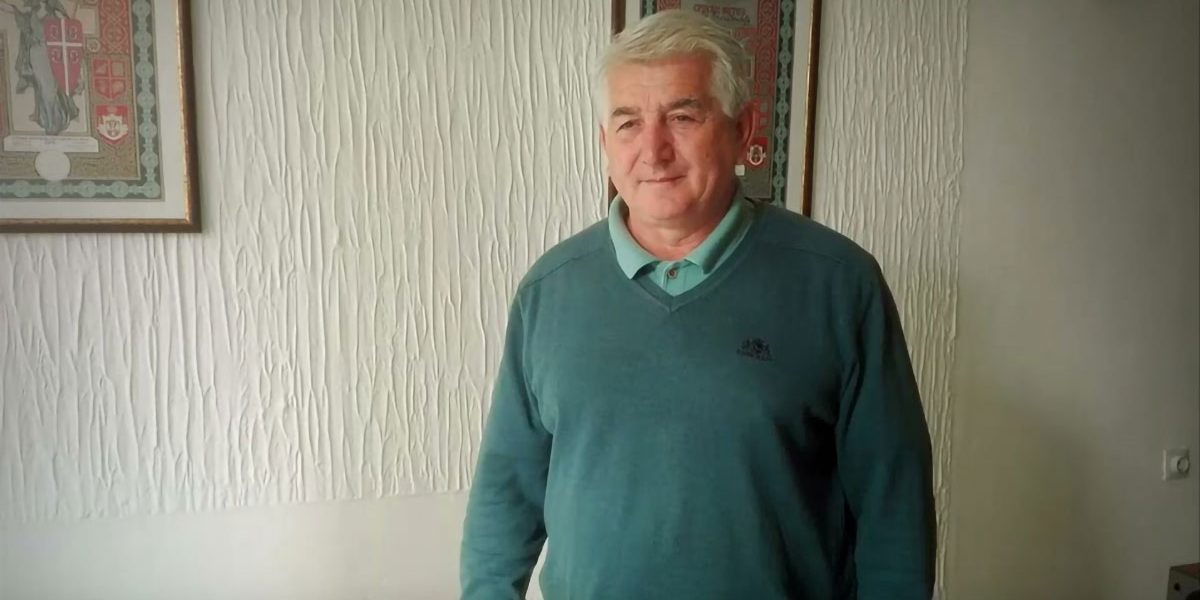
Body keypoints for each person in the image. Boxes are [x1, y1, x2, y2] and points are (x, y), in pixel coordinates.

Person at [461, 9, 935, 600]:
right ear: (605, 143)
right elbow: (506, 488)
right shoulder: (548, 291)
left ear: (744, 128)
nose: (653, 150)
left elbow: (894, 501)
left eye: (682, 117)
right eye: (628, 123)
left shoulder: (839, 284)